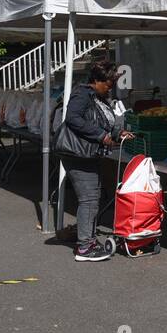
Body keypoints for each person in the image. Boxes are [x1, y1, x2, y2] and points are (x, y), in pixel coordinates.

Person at [55, 60, 135, 262]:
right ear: (97, 80)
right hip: (78, 155)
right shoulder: (82, 93)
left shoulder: (99, 97)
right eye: (108, 83)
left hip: (89, 154)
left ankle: (88, 240)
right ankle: (84, 247)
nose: (110, 88)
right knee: (89, 199)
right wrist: (100, 135)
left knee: (92, 197)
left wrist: (118, 132)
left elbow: (102, 121)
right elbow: (73, 118)